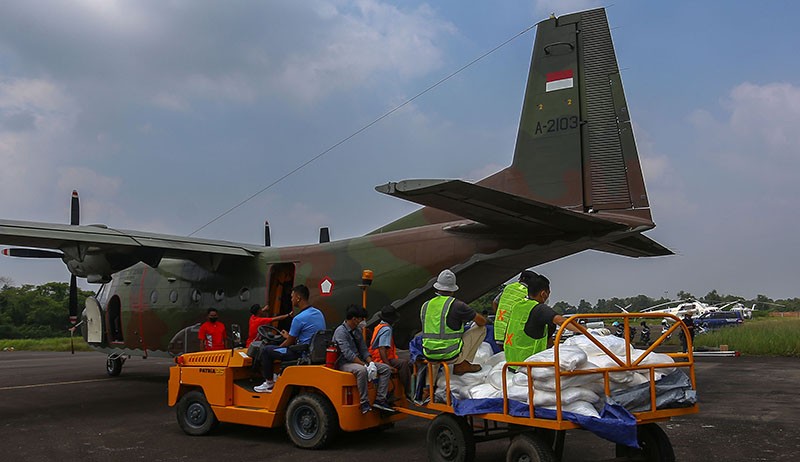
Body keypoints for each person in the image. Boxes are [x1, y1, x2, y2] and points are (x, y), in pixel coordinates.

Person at [255, 285, 326, 393]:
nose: (291, 299)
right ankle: (277, 375)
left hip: (301, 353)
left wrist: (278, 348)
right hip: (313, 351)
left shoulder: (299, 318)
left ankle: (269, 383)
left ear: (298, 298)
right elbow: (306, 335)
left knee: (266, 350)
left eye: (292, 297)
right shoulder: (318, 313)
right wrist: (288, 336)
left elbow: (289, 342)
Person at [503, 274, 581, 366]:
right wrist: (587, 332)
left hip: (512, 362)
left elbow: (546, 337)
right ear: (543, 294)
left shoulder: (517, 306)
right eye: (548, 293)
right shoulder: (539, 309)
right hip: (529, 363)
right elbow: (561, 321)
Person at [420, 269, 487, 375]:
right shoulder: (458, 305)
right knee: (482, 329)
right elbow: (482, 322)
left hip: (429, 354)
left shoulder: (426, 305)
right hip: (450, 355)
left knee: (436, 348)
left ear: (437, 287)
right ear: (453, 289)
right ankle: (463, 364)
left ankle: (430, 383)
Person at [335, 305, 394, 414]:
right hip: (345, 363)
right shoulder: (341, 332)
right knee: (362, 371)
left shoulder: (357, 330)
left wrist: (371, 363)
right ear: (354, 319)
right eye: (361, 319)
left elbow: (363, 349)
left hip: (359, 360)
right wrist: (364, 365)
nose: (363, 321)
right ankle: (364, 402)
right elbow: (348, 354)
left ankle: (380, 399)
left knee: (385, 369)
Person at [368, 305, 411, 396]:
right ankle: (408, 392)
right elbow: (382, 348)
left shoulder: (379, 326)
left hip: (375, 356)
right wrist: (388, 365)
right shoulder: (386, 329)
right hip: (380, 359)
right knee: (404, 363)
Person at [492, 271, 537, 350]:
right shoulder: (529, 292)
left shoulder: (508, 288)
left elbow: (495, 302)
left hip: (499, 329)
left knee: (503, 352)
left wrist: (498, 315)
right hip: (513, 331)